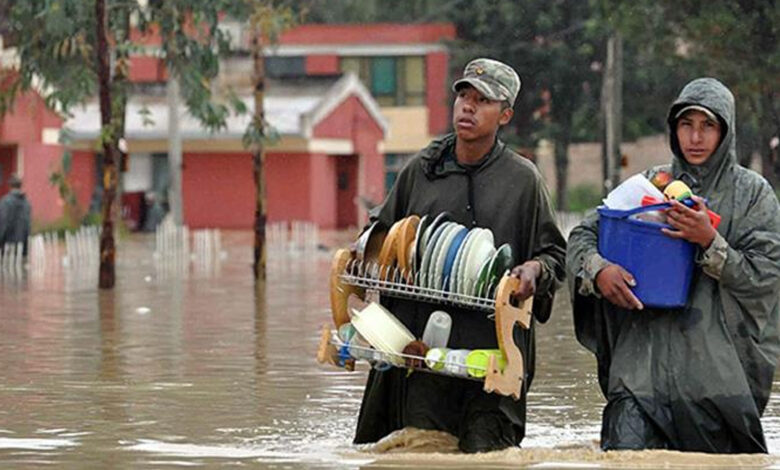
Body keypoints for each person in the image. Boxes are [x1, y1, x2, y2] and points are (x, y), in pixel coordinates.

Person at [353, 58, 567, 453]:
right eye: (464, 97)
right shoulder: (422, 169)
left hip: (491, 357)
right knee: (419, 448)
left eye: (482, 100)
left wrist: (534, 270)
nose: (468, 107)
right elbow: (377, 238)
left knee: (486, 452)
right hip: (420, 358)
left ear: (505, 115)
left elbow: (554, 254)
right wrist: (368, 252)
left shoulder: (523, 181)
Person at [566, 77, 780, 453]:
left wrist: (710, 242)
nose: (695, 137)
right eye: (686, 124)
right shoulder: (650, 186)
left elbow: (766, 278)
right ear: (673, 129)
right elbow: (584, 235)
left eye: (708, 126)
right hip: (638, 379)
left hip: (714, 388)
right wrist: (599, 270)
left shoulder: (754, 195)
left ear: (726, 131)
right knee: (623, 460)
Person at [0, 174, 32, 256]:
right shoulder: (27, 203)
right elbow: (28, 225)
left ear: (10, 186)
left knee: (6, 267)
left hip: (7, 246)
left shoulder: (5, 202)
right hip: (22, 246)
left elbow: (3, 224)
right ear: (20, 186)